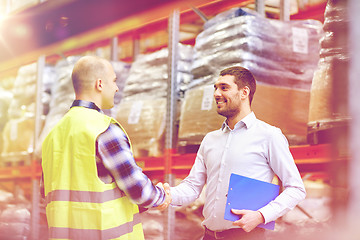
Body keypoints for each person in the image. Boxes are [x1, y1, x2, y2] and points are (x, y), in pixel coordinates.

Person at [165, 66, 306, 240]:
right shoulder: (210, 139)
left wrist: (261, 216)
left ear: (244, 92)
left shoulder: (269, 135)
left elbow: (296, 188)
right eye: (215, 88)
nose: (216, 93)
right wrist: (166, 195)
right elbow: (193, 186)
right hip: (208, 235)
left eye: (224, 87)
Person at [41, 56, 171, 240]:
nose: (117, 88)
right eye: (114, 81)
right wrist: (161, 196)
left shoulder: (53, 135)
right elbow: (137, 189)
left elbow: (47, 193)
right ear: (100, 84)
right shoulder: (105, 129)